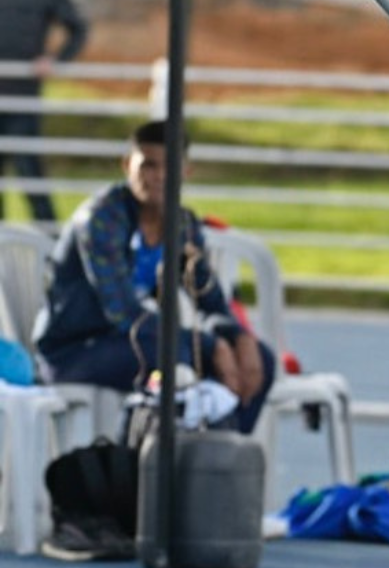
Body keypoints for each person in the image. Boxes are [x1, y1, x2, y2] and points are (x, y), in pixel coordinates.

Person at [32, 120, 274, 434]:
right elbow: (122, 313)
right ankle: (145, 465)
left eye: (169, 166)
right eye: (148, 165)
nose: (159, 176)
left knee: (261, 361)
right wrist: (210, 344)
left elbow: (209, 297)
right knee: (177, 354)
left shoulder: (182, 224)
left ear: (187, 171)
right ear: (126, 165)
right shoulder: (102, 219)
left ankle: (220, 461)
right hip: (75, 351)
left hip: (134, 344)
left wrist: (239, 337)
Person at [0, 0, 88, 223]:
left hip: (24, 98)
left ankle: (52, 248)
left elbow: (77, 28)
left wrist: (55, 60)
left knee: (30, 174)